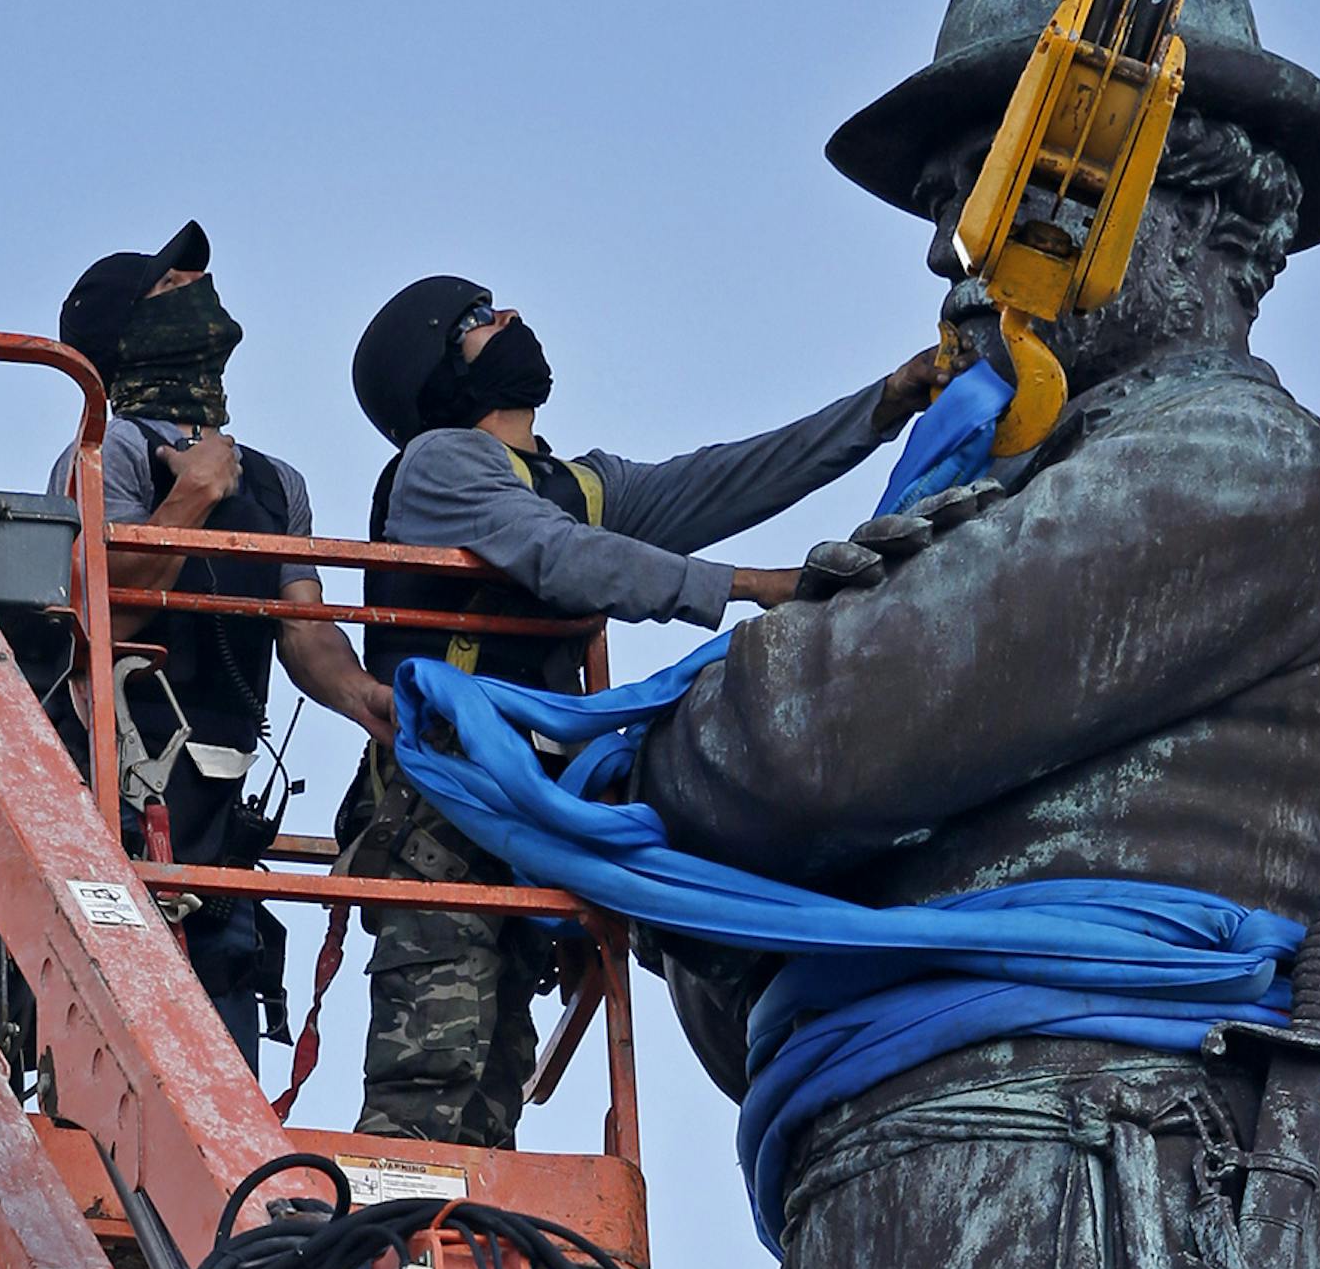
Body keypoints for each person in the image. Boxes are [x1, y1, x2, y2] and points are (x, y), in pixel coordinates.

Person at [637, 0, 1320, 1269]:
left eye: (996, 189)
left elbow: (778, 753)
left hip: (1087, 1250)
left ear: (1165, 190)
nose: (949, 254)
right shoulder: (1040, 486)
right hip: (940, 1244)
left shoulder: (1225, 464)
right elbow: (734, 944)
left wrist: (730, 766)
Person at [342, 275, 940, 1147]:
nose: (507, 319)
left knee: (491, 1085)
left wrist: (882, 405)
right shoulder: (439, 466)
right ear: (434, 372)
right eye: (475, 321)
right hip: (444, 815)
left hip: (529, 817)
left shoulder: (573, 482)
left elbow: (727, 478)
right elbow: (564, 559)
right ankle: (382, 1234)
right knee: (430, 1078)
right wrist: (751, 586)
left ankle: (456, 1242)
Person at [54, 219, 391, 1066]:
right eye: (173, 290)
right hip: (117, 805)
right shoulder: (104, 454)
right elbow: (107, 617)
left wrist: (368, 701)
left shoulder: (277, 482)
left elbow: (305, 636)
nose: (200, 296)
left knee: (224, 1058)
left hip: (217, 813)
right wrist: (191, 499)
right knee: (114, 1051)